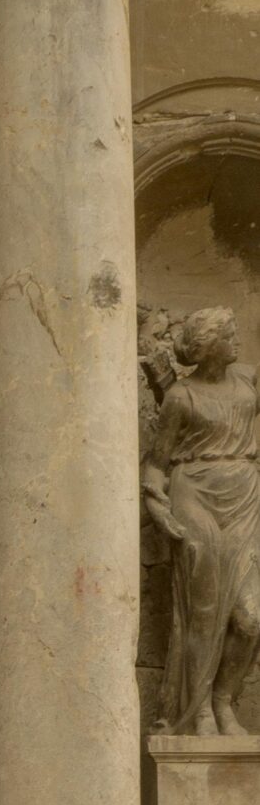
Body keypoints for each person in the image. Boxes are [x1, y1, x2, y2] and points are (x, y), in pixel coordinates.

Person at [142, 303, 260, 736]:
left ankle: (224, 700)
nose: (238, 341)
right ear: (210, 346)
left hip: (246, 497)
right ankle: (201, 711)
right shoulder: (181, 396)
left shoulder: (249, 379)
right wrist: (157, 507)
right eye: (230, 335)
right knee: (204, 612)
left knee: (251, 617)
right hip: (195, 497)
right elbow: (156, 464)